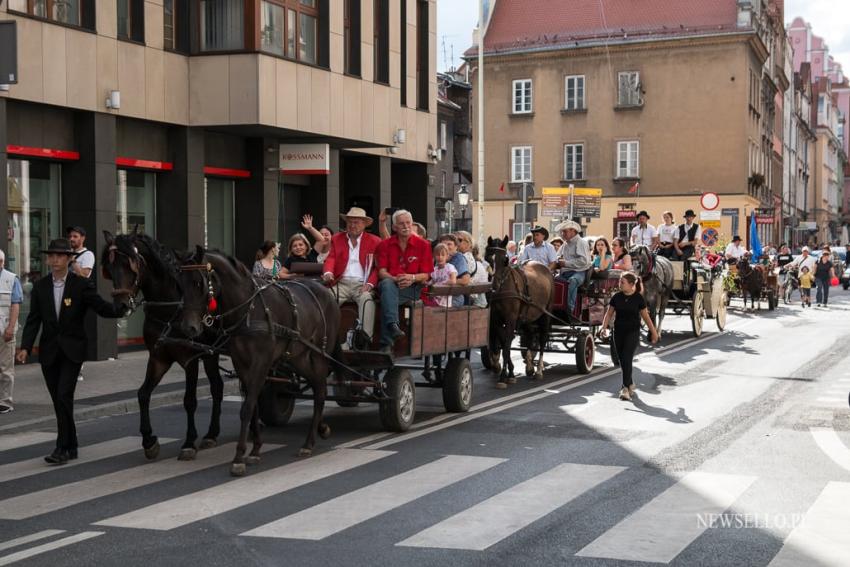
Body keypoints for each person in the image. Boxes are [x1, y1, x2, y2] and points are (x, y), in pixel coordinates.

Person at [17, 238, 127, 465]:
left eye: (59, 255)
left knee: (63, 395)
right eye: (51, 255)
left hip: (73, 350)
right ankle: (72, 443)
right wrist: (25, 347)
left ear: (69, 259)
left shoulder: (80, 284)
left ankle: (62, 447)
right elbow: (33, 320)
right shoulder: (41, 286)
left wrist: (121, 308)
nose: (54, 259)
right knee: (59, 401)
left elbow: (101, 307)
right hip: (49, 352)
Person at [376, 210, 433, 351]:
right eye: (401, 223)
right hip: (391, 284)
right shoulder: (385, 245)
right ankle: (392, 326)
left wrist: (412, 278)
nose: (406, 226)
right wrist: (395, 279)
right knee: (388, 285)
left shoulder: (423, 245)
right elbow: (382, 272)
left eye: (408, 223)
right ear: (394, 227)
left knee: (387, 297)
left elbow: (426, 274)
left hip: (412, 288)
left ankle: (387, 341)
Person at [322, 207, 382, 341]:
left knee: (367, 299)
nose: (352, 225)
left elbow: (378, 268)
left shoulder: (375, 241)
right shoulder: (337, 238)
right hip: (340, 283)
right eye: (350, 222)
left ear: (364, 224)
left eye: (356, 222)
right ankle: (325, 337)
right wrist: (328, 272)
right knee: (325, 298)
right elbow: (330, 258)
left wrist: (370, 284)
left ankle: (365, 339)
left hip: (362, 284)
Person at [599, 272, 659, 402]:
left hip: (632, 332)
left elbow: (645, 317)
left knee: (627, 357)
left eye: (622, 282)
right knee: (622, 360)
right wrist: (604, 327)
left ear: (632, 285)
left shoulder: (638, 298)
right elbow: (609, 314)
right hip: (618, 332)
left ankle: (625, 388)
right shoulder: (616, 297)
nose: (619, 284)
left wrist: (653, 332)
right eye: (620, 281)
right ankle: (630, 383)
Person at [0, 249, 22, 414]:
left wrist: (10, 328)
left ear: (2, 262)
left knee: (5, 367)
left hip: (5, 330)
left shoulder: (11, 279)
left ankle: (5, 401)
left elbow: (15, 305)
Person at [554, 220, 591, 314]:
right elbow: (557, 257)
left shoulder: (581, 242)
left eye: (565, 231)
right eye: (562, 232)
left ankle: (569, 309)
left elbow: (584, 261)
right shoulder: (565, 244)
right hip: (565, 272)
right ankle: (555, 308)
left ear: (573, 231)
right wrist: (558, 259)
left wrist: (566, 263)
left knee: (573, 281)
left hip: (579, 272)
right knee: (552, 282)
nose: (563, 234)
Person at [437, 234, 470, 307]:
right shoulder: (440, 257)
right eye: (443, 244)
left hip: (453, 298)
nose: (446, 246)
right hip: (440, 296)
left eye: (449, 244)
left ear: (456, 246)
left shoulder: (458, 258)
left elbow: (465, 280)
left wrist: (444, 281)